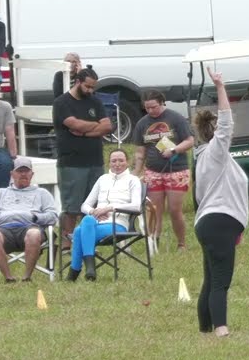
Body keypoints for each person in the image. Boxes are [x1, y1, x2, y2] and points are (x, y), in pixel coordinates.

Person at [192, 64, 249, 337]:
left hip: (211, 222)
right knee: (221, 281)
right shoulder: (214, 151)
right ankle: (221, 329)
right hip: (218, 222)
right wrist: (220, 87)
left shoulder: (203, 157)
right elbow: (226, 121)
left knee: (210, 278)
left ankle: (204, 329)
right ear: (214, 135)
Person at [52, 67, 112, 249]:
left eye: (93, 87)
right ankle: (65, 245)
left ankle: (87, 243)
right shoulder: (62, 103)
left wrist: (85, 132)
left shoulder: (94, 101)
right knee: (72, 207)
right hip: (72, 162)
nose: (90, 91)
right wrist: (96, 126)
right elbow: (73, 123)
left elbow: (108, 126)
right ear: (78, 82)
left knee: (92, 206)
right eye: (87, 87)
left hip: (95, 161)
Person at [131, 90, 194, 251]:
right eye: (147, 108)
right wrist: (136, 172)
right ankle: (154, 241)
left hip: (176, 170)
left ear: (162, 103)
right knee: (155, 210)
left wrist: (175, 150)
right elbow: (140, 151)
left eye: (154, 107)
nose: (151, 111)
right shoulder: (142, 124)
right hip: (153, 171)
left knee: (174, 209)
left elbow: (190, 141)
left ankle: (181, 243)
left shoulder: (176, 118)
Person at [69, 149, 142, 281]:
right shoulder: (102, 179)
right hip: (95, 222)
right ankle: (89, 270)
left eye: (121, 160)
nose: (117, 164)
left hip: (117, 224)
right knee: (87, 221)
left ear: (127, 162)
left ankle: (75, 272)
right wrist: (93, 211)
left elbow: (136, 206)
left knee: (79, 231)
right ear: (109, 163)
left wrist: (110, 208)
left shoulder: (133, 180)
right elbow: (84, 206)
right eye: (114, 161)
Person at [0, 157, 58, 282]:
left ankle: (27, 277)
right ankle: (8, 278)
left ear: (32, 174)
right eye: (19, 171)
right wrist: (2, 218)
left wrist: (35, 217)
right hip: (4, 229)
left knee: (34, 233)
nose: (23, 174)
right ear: (12, 174)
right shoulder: (0, 193)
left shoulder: (42, 193)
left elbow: (53, 216)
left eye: (26, 171)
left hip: (30, 227)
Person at [0, 80, 17, 192]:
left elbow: (10, 131)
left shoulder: (5, 107)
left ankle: (0, 194)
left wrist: (14, 155)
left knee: (6, 164)